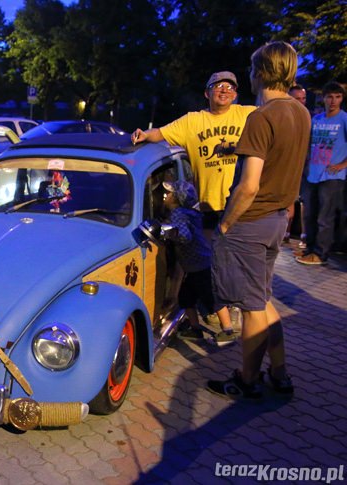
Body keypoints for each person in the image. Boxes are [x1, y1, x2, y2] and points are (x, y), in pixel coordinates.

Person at [207, 41, 311, 399]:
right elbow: (287, 161)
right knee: (264, 299)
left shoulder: (261, 116)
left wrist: (224, 225)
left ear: (262, 72)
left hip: (250, 223)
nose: (250, 76)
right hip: (278, 218)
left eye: (252, 69)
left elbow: (249, 185)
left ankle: (247, 380)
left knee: (251, 307)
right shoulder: (301, 112)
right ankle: (279, 372)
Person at [132, 72, 256, 238]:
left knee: (239, 257)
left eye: (229, 87)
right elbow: (161, 132)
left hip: (241, 204)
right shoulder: (192, 121)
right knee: (214, 257)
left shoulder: (249, 115)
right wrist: (145, 135)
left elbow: (274, 119)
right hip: (209, 206)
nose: (224, 90)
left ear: (235, 95)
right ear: (207, 93)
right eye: (218, 86)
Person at [160, 180, 236, 346]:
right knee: (186, 297)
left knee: (211, 298)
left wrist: (166, 232)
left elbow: (184, 236)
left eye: (170, 193)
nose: (166, 196)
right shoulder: (189, 213)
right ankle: (195, 329)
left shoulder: (178, 214)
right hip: (196, 265)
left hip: (199, 265)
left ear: (177, 198)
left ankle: (228, 331)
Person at [296, 81, 347, 265]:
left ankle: (321, 252)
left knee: (325, 217)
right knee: (310, 214)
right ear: (323, 98)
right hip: (313, 174)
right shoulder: (317, 119)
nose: (333, 101)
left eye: (337, 97)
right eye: (330, 96)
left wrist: (342, 165)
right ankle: (309, 248)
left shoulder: (344, 119)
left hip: (332, 177)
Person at [287, 84, 309, 248]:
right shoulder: (285, 117)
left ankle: (303, 236)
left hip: (306, 167)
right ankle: (285, 233)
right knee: (288, 200)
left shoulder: (309, 118)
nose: (301, 102)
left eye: (303, 99)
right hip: (287, 166)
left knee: (303, 202)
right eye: (297, 99)